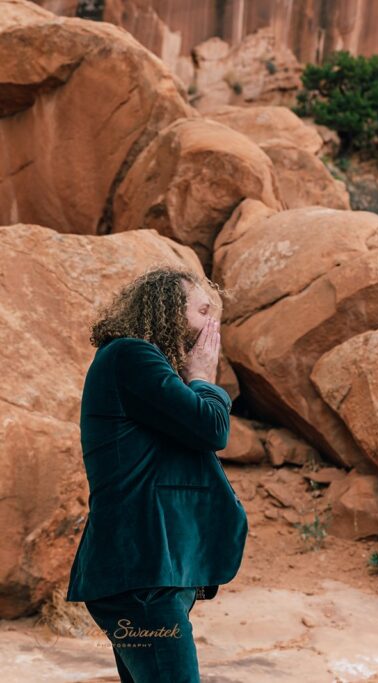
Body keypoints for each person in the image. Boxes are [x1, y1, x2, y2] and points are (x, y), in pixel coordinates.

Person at [65, 267, 248, 683]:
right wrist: (203, 377)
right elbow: (211, 428)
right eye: (203, 311)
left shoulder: (142, 371)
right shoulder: (130, 355)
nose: (211, 326)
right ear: (166, 310)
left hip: (150, 577)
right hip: (143, 577)